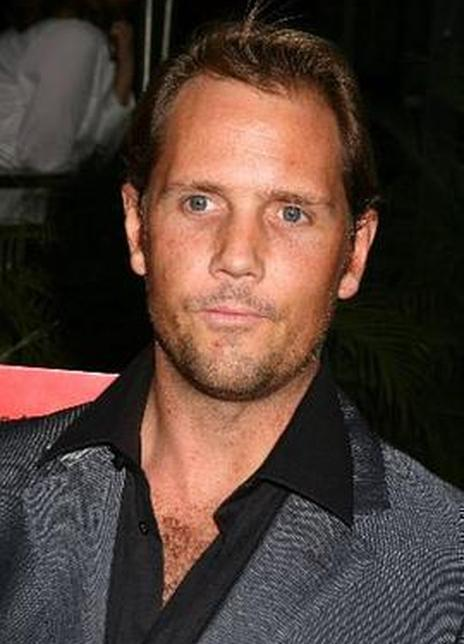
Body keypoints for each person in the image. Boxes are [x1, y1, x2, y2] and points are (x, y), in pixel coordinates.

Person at [0, 16, 463, 644]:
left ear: (354, 252)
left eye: (291, 213)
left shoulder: (446, 568)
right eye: (200, 202)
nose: (238, 256)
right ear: (137, 227)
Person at [0, 0, 135, 224]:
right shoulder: (73, 37)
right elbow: (45, 158)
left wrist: (126, 64)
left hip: (19, 211)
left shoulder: (80, 37)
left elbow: (100, 142)